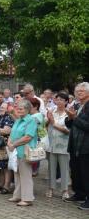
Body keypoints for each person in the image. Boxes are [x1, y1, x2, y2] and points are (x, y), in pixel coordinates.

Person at [7, 99, 38, 206]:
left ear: (27, 109)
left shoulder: (31, 121)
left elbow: (28, 137)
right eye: (17, 108)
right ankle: (18, 195)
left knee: (25, 175)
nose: (18, 110)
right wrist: (9, 142)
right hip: (16, 151)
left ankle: (27, 198)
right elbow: (12, 133)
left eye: (21, 109)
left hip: (25, 151)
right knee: (17, 174)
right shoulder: (18, 120)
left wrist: (14, 144)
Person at [65, 82, 89, 210]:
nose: (79, 93)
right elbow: (70, 124)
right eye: (77, 91)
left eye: (82, 91)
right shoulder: (77, 105)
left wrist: (75, 118)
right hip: (75, 145)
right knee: (75, 171)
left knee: (86, 173)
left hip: (85, 146)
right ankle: (79, 194)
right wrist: (69, 117)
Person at [46, 92, 70, 200]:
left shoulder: (69, 114)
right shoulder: (52, 112)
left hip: (64, 145)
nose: (59, 101)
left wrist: (53, 122)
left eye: (62, 100)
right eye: (57, 99)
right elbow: (45, 125)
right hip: (52, 144)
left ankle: (65, 190)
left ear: (66, 102)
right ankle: (51, 188)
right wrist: (47, 119)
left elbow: (67, 131)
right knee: (51, 168)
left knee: (64, 169)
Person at [29, 97, 47, 177]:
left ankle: (34, 171)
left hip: (36, 141)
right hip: (34, 140)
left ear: (35, 106)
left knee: (34, 158)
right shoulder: (33, 115)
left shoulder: (37, 115)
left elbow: (30, 125)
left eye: (29, 105)